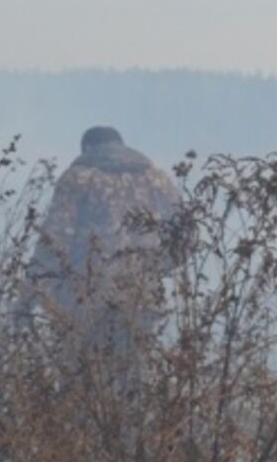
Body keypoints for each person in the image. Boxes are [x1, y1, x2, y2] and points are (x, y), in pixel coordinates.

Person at [28, 126, 180, 347]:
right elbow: (182, 233)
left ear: (87, 148)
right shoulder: (157, 179)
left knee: (82, 362)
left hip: (87, 293)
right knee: (137, 361)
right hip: (143, 294)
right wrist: (158, 267)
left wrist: (30, 292)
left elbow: (54, 238)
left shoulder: (78, 177)